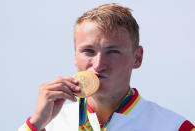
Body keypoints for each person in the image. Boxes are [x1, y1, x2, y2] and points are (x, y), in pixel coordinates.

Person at [18, 3, 194, 131]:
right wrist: (36, 124)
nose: (99, 64)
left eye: (113, 52)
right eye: (88, 51)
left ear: (137, 58)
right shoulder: (48, 125)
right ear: (75, 55)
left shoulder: (175, 127)